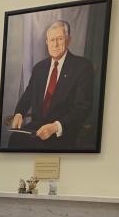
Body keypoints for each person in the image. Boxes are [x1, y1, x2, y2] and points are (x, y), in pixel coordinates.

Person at [8, 20, 94, 150]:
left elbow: (83, 107)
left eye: (60, 39)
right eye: (51, 40)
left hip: (63, 130)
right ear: (47, 42)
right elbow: (28, 95)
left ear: (68, 40)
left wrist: (55, 127)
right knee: (15, 139)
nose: (55, 44)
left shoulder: (82, 67)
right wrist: (19, 113)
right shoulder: (39, 68)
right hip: (38, 128)